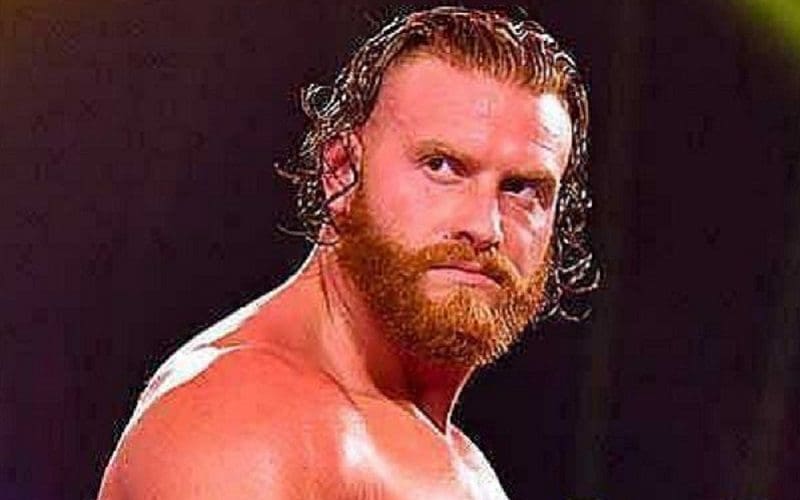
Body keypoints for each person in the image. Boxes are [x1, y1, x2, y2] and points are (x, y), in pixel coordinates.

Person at [98, 6, 596, 499]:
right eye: (442, 167)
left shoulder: (457, 462)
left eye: (521, 189)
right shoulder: (242, 417)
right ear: (341, 172)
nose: (485, 227)